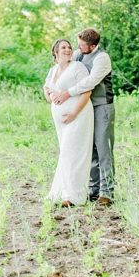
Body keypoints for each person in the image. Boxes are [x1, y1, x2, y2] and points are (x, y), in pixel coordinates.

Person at [50, 28, 115, 206]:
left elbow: (90, 82)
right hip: (85, 108)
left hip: (101, 105)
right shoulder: (79, 54)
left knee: (103, 148)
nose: (77, 48)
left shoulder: (102, 58)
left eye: (81, 45)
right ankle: (93, 189)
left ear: (92, 46)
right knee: (89, 147)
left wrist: (67, 93)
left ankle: (107, 192)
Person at [43, 39, 94, 207]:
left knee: (74, 152)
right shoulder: (53, 70)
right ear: (55, 53)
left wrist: (74, 113)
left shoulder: (78, 67)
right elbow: (46, 90)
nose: (68, 49)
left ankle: (75, 196)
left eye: (69, 47)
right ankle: (62, 191)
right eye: (63, 47)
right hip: (60, 121)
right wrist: (50, 96)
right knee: (65, 152)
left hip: (78, 115)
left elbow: (87, 91)